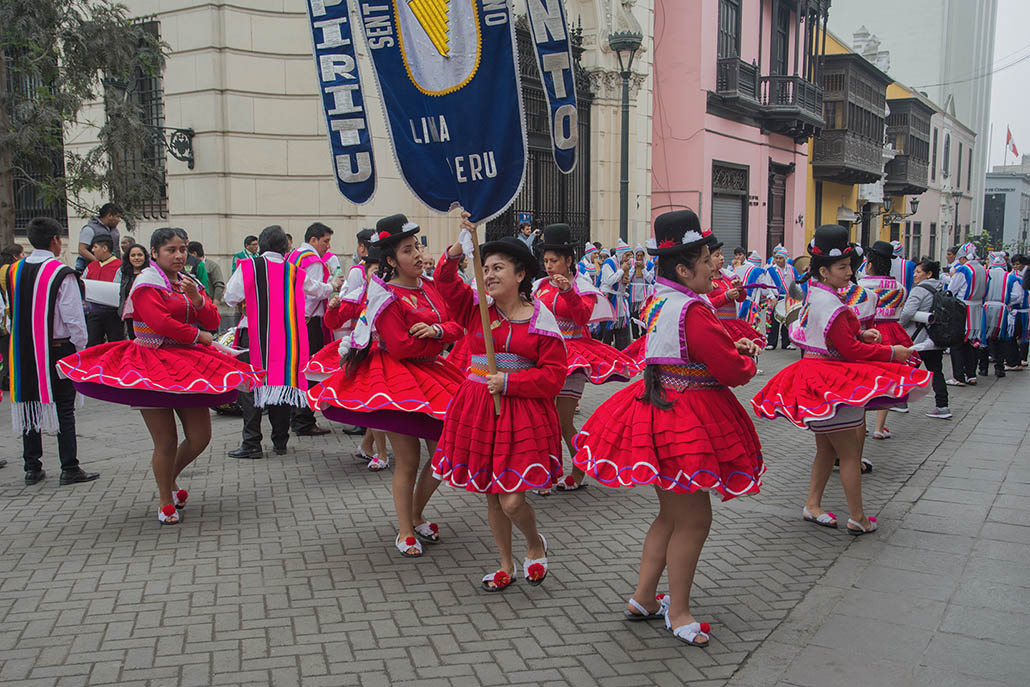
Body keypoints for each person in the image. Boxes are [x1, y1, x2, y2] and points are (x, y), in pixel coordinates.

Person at [574, 210, 764, 647]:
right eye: (706, 258)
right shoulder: (692, 310)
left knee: (670, 515)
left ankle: (644, 597)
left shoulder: (662, 299)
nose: (715, 264)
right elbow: (732, 371)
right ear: (683, 267)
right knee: (694, 521)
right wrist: (747, 356)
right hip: (686, 421)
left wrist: (726, 345)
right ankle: (678, 611)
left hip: (659, 410)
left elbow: (685, 349)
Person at [57, 227, 262, 524]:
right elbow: (159, 322)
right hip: (151, 365)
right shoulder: (145, 284)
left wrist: (199, 301)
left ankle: (168, 478)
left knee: (200, 437)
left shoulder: (188, 283)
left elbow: (213, 319)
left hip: (189, 363)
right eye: (171, 250)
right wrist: (199, 335)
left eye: (182, 249)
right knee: (165, 440)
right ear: (154, 253)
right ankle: (165, 497)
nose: (179, 255)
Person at [752, 225, 931, 536]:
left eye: (850, 266)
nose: (850, 272)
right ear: (824, 270)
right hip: (830, 381)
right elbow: (849, 349)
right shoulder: (829, 302)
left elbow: (830, 337)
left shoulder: (819, 295)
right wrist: (891, 352)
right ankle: (858, 517)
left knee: (826, 450)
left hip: (819, 376)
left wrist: (861, 332)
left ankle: (812, 504)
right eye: (843, 267)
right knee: (848, 454)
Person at [307, 214, 465, 557]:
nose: (419, 254)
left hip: (434, 373)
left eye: (418, 246)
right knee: (408, 459)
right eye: (408, 250)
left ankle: (416, 512)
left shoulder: (430, 287)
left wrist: (438, 333)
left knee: (444, 452)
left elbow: (456, 325)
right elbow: (400, 346)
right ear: (391, 260)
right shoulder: (385, 297)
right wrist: (438, 340)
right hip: (399, 379)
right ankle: (405, 530)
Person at [432, 222, 565, 590]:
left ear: (520, 274)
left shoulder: (542, 321)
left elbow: (554, 377)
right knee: (492, 493)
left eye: (498, 268)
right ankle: (505, 562)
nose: (489, 275)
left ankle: (534, 543)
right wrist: (460, 247)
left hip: (522, 414)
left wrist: (511, 382)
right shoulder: (476, 310)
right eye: (486, 268)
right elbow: (444, 282)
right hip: (477, 408)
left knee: (511, 500)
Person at [533, 224, 639, 492]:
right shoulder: (540, 286)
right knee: (543, 419)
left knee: (562, 420)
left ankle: (577, 472)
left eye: (554, 260)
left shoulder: (582, 286)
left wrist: (568, 291)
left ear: (569, 260)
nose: (548, 266)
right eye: (545, 260)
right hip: (543, 355)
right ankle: (545, 474)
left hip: (573, 357)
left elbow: (583, 318)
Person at [5, 217, 98, 486]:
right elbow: (73, 318)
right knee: (64, 408)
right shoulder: (61, 273)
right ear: (56, 240)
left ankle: (32, 467)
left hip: (24, 347)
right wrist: (81, 350)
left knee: (28, 403)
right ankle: (69, 467)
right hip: (58, 349)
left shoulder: (14, 270)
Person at [221, 225, 324, 459]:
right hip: (288, 336)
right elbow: (316, 290)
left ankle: (252, 442)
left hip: (255, 333)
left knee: (251, 387)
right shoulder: (293, 270)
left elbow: (230, 298)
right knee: (281, 383)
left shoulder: (249, 267)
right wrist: (334, 288)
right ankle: (280, 441)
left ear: (262, 244)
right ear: (285, 246)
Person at [307, 242, 390, 468]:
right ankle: (381, 453)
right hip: (366, 357)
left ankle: (367, 446)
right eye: (375, 270)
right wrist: (333, 307)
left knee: (380, 405)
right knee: (375, 404)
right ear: (366, 273)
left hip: (391, 357)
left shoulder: (395, 293)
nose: (379, 275)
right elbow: (333, 321)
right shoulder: (357, 295)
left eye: (382, 270)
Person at [288, 223, 344, 437]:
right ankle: (304, 419)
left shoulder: (294, 256)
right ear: (313, 240)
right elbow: (311, 291)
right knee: (310, 370)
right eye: (325, 241)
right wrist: (332, 286)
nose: (327, 246)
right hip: (309, 321)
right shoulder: (312, 260)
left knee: (298, 369)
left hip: (294, 318)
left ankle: (298, 416)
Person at [859, 241, 919, 440]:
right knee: (888, 378)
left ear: (869, 264)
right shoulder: (900, 288)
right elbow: (900, 311)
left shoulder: (861, 286)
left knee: (864, 378)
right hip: (892, 332)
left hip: (869, 331)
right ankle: (879, 427)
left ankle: (862, 424)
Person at [900, 259, 952, 419]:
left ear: (928, 274)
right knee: (936, 371)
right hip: (935, 338)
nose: (915, 275)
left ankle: (901, 402)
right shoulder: (941, 287)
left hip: (918, 340)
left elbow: (907, 313)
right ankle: (942, 406)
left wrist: (899, 325)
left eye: (918, 272)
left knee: (906, 370)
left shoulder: (919, 290)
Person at [945, 242, 987, 386]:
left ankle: (958, 376)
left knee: (957, 342)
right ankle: (971, 374)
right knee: (973, 342)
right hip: (977, 309)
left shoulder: (964, 270)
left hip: (963, 308)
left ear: (963, 258)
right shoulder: (982, 269)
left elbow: (952, 289)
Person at [708, 242, 765, 348]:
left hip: (732, 323)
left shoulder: (727, 276)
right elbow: (706, 304)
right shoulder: (704, 280)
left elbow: (741, 299)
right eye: (717, 255)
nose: (722, 258)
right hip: (717, 325)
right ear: (707, 259)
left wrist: (740, 290)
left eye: (721, 254)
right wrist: (726, 296)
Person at [981, 251, 1025, 378]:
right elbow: (1018, 296)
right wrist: (1007, 302)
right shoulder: (1010, 277)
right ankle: (999, 368)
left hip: (986, 307)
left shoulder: (986, 274)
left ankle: (983, 368)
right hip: (1002, 308)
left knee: (985, 338)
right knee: (1000, 338)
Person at [82, 236, 125, 346]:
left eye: (95, 247)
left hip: (113, 313)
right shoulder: (91, 266)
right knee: (92, 344)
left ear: (104, 248)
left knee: (116, 344)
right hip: (93, 312)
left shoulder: (120, 267)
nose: (92, 250)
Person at [599, 239, 633, 349]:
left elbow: (621, 282)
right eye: (626, 255)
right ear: (620, 254)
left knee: (622, 332)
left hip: (620, 301)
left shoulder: (624, 265)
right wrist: (621, 271)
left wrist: (625, 282)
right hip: (609, 301)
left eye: (629, 255)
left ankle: (621, 356)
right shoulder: (608, 263)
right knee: (607, 333)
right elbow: (609, 281)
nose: (628, 258)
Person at [765, 245, 798, 350]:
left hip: (788, 298)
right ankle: (772, 343)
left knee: (787, 320)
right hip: (776, 298)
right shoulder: (771, 270)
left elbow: (797, 283)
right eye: (777, 258)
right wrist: (771, 297)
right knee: (774, 321)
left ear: (786, 258)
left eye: (781, 258)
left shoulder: (792, 270)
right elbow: (766, 285)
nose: (778, 260)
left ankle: (786, 343)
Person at [75, 203, 122, 272]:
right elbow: (82, 250)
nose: (119, 220)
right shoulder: (90, 229)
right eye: (117, 217)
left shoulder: (114, 231)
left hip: (111, 269)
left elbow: (116, 249)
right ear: (109, 216)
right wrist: (98, 262)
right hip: (89, 269)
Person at [119, 243, 150, 340]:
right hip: (130, 315)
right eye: (133, 255)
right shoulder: (125, 274)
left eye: (140, 255)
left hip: (146, 316)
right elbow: (122, 294)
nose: (136, 258)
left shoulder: (150, 274)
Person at [627, 245, 655, 340]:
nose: (639, 258)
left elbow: (651, 280)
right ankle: (635, 335)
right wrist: (634, 268)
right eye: (637, 255)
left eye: (641, 255)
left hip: (644, 292)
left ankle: (644, 334)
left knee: (644, 314)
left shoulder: (649, 264)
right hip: (634, 292)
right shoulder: (630, 264)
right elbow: (628, 278)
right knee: (634, 314)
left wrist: (643, 269)